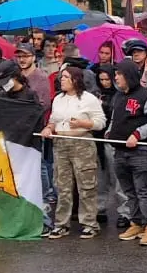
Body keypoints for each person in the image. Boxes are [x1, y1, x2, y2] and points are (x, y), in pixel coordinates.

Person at [42, 66, 106, 239]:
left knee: (86, 185)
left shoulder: (89, 99)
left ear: (75, 80)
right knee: (62, 186)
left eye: (65, 77)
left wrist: (83, 124)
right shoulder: (58, 99)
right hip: (60, 143)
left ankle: (90, 223)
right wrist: (48, 128)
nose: (61, 80)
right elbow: (53, 120)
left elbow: (100, 122)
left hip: (81, 143)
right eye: (61, 77)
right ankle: (61, 223)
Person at [107, 59, 147, 245]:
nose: (116, 78)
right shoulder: (118, 96)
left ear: (129, 75)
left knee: (144, 190)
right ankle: (136, 222)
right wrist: (109, 132)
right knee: (129, 191)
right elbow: (115, 119)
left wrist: (138, 134)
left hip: (141, 151)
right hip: (119, 151)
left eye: (119, 74)